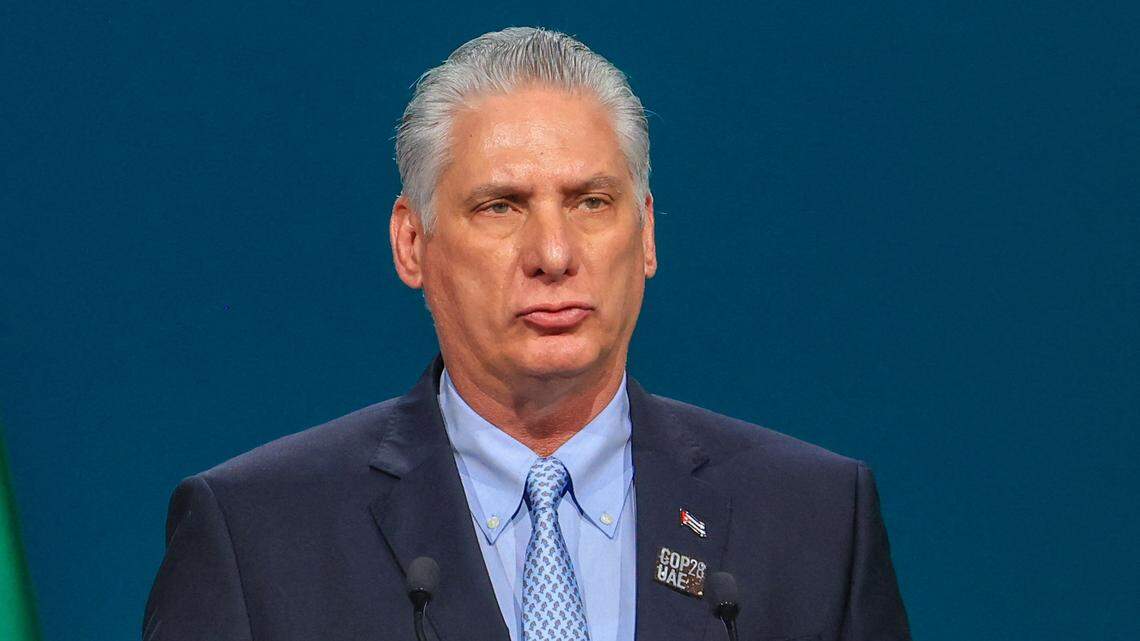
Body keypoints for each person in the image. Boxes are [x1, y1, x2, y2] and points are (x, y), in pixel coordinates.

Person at [143, 27, 910, 641]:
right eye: (501, 206)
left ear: (645, 235)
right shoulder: (255, 538)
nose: (553, 255)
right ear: (412, 244)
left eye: (591, 202)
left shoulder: (814, 520)